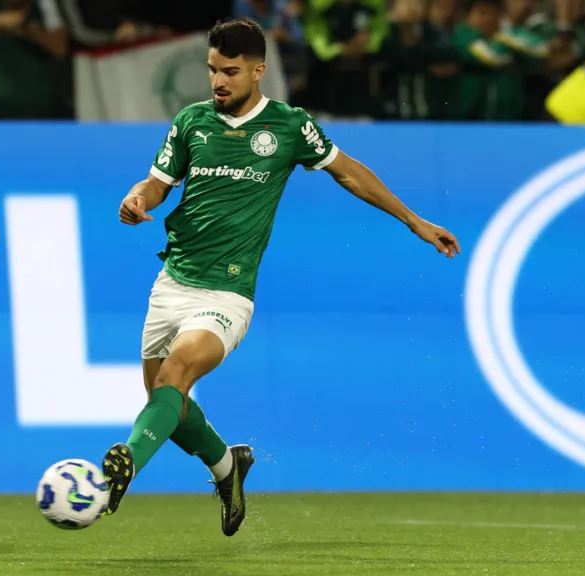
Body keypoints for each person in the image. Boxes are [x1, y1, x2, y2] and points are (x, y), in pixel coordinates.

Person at [101, 17, 460, 537]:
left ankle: (125, 466)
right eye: (211, 70)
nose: (217, 81)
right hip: (172, 283)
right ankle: (228, 467)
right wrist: (136, 200)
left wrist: (414, 221)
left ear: (258, 71)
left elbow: (349, 171)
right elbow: (157, 183)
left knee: (177, 373)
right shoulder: (191, 122)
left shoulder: (289, 126)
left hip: (227, 291)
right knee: (169, 409)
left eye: (229, 71)